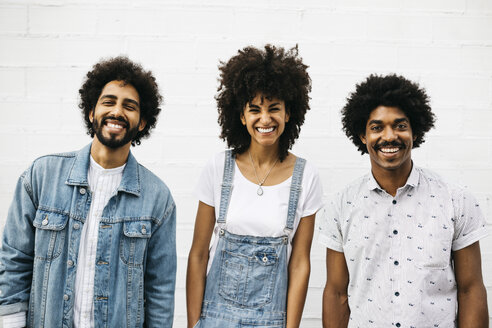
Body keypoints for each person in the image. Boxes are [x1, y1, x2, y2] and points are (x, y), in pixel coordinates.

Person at [0, 56, 176, 328]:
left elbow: (160, 288)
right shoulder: (41, 176)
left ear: (142, 122)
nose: (117, 111)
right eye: (109, 102)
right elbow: (14, 262)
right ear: (91, 112)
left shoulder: (157, 198)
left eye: (129, 106)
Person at [319, 74, 488, 328]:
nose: (389, 136)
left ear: (415, 131)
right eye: (376, 127)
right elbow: (336, 293)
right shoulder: (340, 206)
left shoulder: (455, 200)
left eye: (400, 125)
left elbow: (470, 289)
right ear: (363, 136)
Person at [186, 44, 323, 328]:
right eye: (255, 110)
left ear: (288, 114)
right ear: (241, 116)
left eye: (274, 109)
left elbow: (299, 263)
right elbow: (198, 254)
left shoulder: (306, 176)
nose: (265, 119)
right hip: (214, 321)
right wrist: (193, 324)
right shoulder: (218, 168)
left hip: (272, 322)